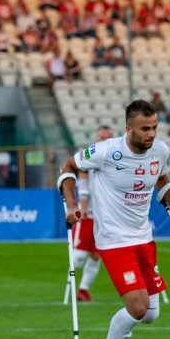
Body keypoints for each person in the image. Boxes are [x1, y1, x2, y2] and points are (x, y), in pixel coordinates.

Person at [57, 100, 170, 339]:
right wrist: (71, 205)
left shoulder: (160, 151)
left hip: (143, 238)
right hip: (113, 240)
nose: (151, 134)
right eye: (145, 128)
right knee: (137, 306)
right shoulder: (107, 151)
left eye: (155, 128)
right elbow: (68, 166)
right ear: (129, 129)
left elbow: (162, 179)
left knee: (151, 314)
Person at [72, 125, 114, 302]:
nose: (104, 140)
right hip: (88, 214)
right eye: (101, 137)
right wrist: (82, 208)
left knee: (96, 255)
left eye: (107, 138)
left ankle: (83, 290)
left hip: (104, 217)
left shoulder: (115, 160)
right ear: (96, 139)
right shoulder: (88, 157)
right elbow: (83, 186)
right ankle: (70, 283)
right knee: (79, 255)